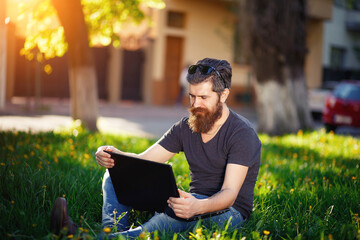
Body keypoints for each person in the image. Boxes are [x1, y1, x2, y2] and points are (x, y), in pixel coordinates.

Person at [50, 58, 261, 239]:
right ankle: (112, 232)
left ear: (223, 95)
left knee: (165, 221)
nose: (196, 104)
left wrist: (197, 207)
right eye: (192, 96)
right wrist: (114, 156)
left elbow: (230, 193)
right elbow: (144, 161)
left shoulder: (242, 134)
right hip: (190, 201)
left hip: (228, 212)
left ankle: (77, 236)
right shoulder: (186, 126)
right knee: (115, 172)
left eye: (204, 98)